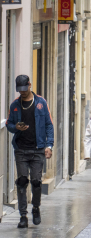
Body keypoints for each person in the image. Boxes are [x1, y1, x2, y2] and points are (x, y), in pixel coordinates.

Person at [6, 75, 54, 228]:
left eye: (25, 89)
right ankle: (23, 216)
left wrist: (49, 145)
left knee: (36, 182)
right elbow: (9, 124)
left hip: (38, 149)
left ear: (30, 85)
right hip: (21, 149)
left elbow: (49, 125)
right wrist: (16, 128)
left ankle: (35, 208)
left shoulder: (41, 103)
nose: (23, 93)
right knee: (21, 182)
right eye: (20, 90)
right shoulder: (15, 105)